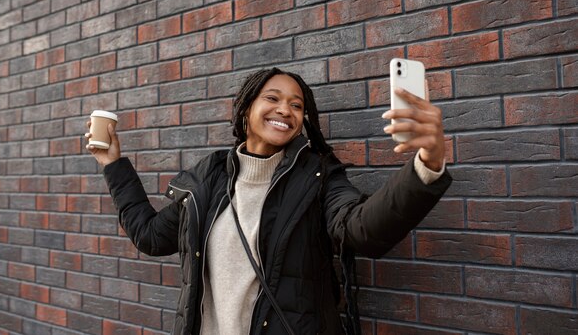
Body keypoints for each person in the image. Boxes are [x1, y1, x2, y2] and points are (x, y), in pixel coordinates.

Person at [86, 67, 452, 335]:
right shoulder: (208, 178)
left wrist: (426, 166)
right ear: (246, 109)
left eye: (296, 105)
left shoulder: (318, 177)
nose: (285, 110)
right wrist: (113, 164)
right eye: (273, 99)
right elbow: (149, 235)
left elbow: (361, 228)